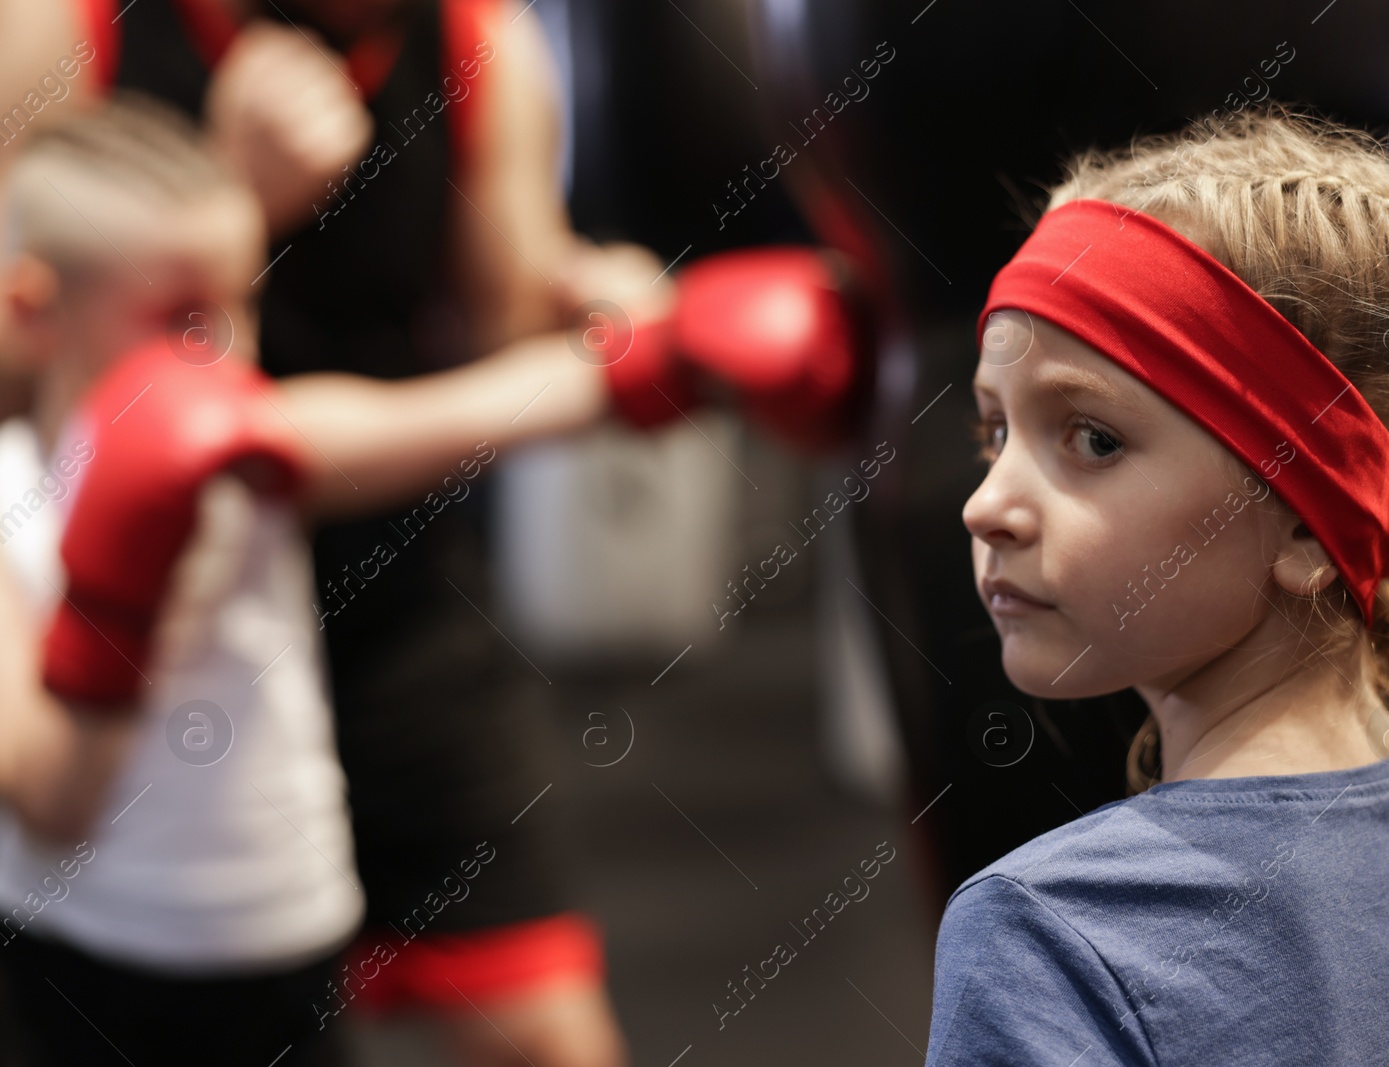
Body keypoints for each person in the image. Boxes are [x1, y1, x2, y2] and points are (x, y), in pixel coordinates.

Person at [0, 95, 860, 1066]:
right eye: (184, 318)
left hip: (279, 943)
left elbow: (456, 417)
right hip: (77, 970)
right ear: (35, 307)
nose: (232, 349)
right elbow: (51, 798)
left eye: (242, 301)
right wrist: (115, 596)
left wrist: (661, 361)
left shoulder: (257, 443)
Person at [927, 107, 1389, 1065]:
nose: (987, 505)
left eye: (1093, 438)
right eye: (995, 433)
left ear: (1301, 522)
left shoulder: (1054, 934)